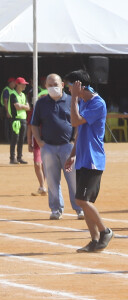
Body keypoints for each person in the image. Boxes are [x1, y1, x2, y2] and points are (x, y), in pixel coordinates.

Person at [62, 70, 113, 253]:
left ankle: (105, 231)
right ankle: (95, 240)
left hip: (93, 159)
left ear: (79, 86)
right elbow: (80, 132)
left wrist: (74, 99)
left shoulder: (97, 103)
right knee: (85, 202)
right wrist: (73, 154)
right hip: (82, 157)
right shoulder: (84, 100)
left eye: (70, 86)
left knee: (81, 200)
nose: (68, 90)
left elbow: (75, 122)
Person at [30, 74, 82, 220]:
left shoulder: (71, 101)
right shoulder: (41, 103)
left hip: (67, 147)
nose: (53, 87)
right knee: (52, 181)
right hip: (48, 148)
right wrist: (40, 142)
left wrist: (73, 141)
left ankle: (79, 209)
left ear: (62, 85)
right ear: (45, 87)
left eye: (56, 84)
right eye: (50, 85)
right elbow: (34, 124)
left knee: (73, 180)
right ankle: (56, 209)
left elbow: (77, 123)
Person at [7, 77, 30, 164]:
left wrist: (22, 106)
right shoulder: (13, 94)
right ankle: (12, 158)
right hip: (16, 119)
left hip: (23, 119)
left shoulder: (23, 95)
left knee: (21, 139)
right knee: (14, 139)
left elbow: (28, 107)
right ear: (18, 84)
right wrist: (23, 106)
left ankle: (19, 157)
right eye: (23, 84)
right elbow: (17, 106)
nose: (24, 86)